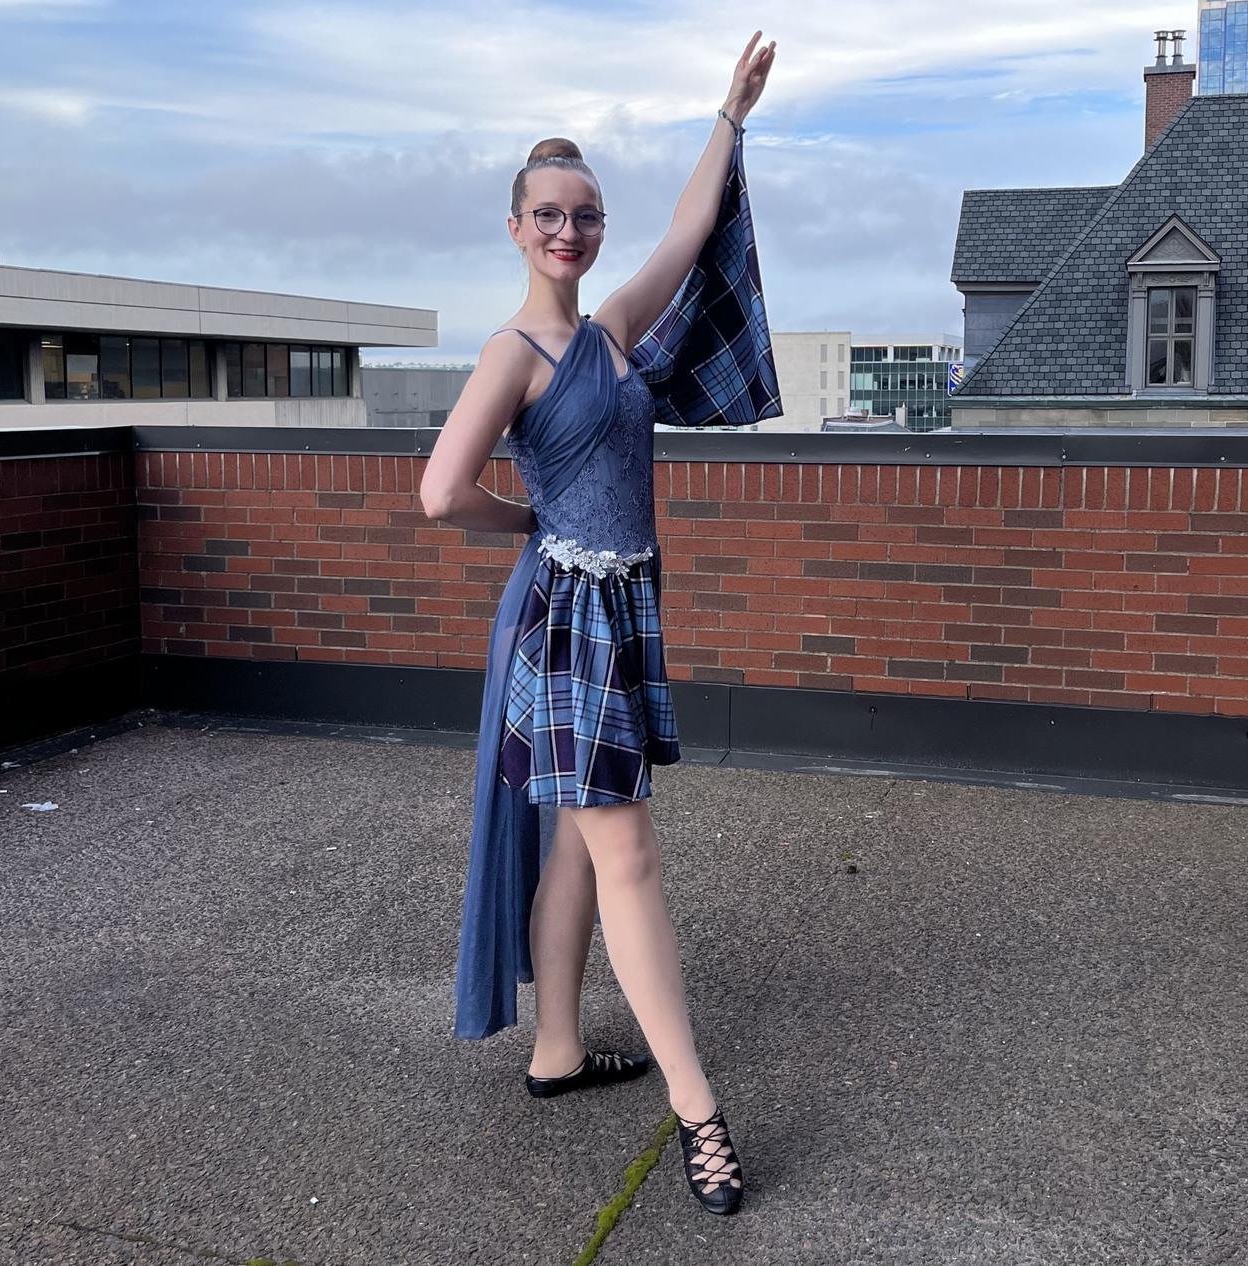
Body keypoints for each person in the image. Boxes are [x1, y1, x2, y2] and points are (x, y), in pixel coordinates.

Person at [418, 33, 777, 1216]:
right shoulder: (511, 355)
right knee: (627, 852)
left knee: (578, 842)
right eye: (548, 216)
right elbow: (438, 492)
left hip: (621, 610)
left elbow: (686, 240)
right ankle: (699, 1111)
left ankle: (559, 1051)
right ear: (517, 230)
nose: (569, 232)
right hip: (569, 622)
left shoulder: (614, 333)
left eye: (586, 214)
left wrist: (727, 116)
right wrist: (529, 530)